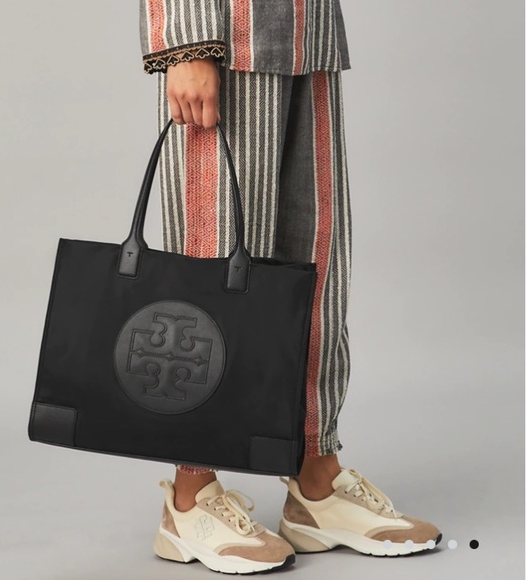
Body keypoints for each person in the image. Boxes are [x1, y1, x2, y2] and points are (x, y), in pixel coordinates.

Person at [139, 1, 441, 574]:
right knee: (213, 262)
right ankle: (190, 496)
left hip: (310, 31)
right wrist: (186, 41)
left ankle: (316, 486)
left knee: (316, 264)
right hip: (223, 33)